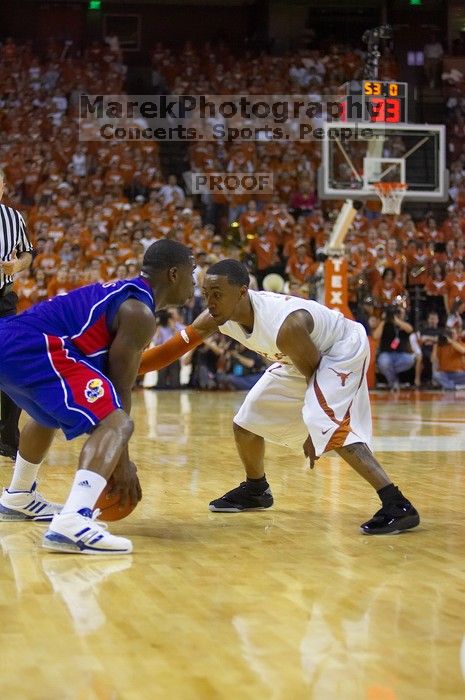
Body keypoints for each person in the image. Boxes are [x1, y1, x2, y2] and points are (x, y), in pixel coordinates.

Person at [139, 259, 419, 535]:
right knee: (246, 423)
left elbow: (314, 376)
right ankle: (256, 489)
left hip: (340, 350)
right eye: (206, 294)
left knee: (325, 422)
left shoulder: (286, 326)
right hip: (297, 357)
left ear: (242, 292)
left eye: (217, 295)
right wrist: (121, 366)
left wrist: (317, 431)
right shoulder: (215, 318)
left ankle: (397, 504)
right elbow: (168, 352)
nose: (210, 302)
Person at [0, 239, 194, 554]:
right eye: (192, 271)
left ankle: (19, 495)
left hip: (10, 341)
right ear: (174, 274)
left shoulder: (126, 297)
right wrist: (123, 464)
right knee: (116, 422)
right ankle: (73, 521)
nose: (194, 281)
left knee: (46, 416)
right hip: (35, 347)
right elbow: (119, 391)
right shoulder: (138, 311)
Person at [0, 168, 34, 459]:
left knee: (13, 367)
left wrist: (17, 267)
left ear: (3, 185)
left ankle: (7, 438)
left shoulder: (13, 218)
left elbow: (28, 253)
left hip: (4, 299)